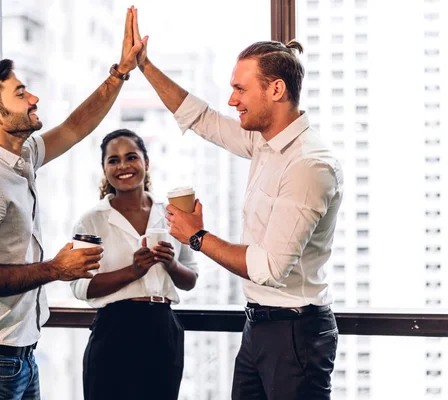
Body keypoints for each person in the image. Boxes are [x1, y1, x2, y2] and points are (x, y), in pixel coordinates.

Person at [130, 6, 343, 400]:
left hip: (294, 335)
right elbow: (203, 118)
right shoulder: (265, 143)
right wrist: (145, 65)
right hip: (260, 327)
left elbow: (270, 268)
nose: (231, 100)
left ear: (276, 89)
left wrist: (196, 237)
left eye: (240, 89)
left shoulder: (308, 165)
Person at [0, 9, 144, 400]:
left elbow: (73, 127)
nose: (33, 97)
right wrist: (56, 269)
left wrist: (119, 72)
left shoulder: (20, 155)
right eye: (20, 94)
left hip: (16, 355)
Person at [70, 128, 198, 400]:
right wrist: (133, 271)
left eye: (131, 157)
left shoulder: (171, 215)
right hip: (114, 330)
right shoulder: (92, 220)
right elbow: (81, 287)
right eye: (113, 160)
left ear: (146, 162)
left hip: (163, 330)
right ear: (104, 169)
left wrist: (171, 264)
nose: (123, 166)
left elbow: (191, 280)